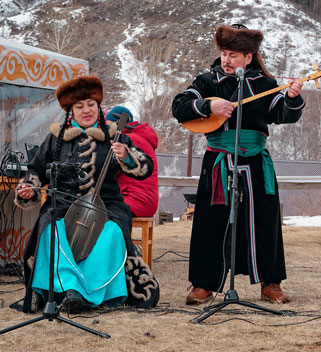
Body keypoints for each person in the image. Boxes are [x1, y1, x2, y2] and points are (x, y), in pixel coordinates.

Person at [172, 24, 305, 305]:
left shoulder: (266, 85)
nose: (226, 60)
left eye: (233, 55)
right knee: (211, 221)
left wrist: (292, 98)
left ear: (248, 57)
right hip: (218, 159)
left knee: (264, 221)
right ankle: (204, 284)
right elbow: (180, 107)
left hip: (255, 159)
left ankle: (270, 282)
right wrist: (209, 107)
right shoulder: (207, 82)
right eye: (223, 53)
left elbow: (282, 115)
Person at [14, 76, 158, 313]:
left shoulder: (115, 135)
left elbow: (145, 169)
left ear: (98, 106)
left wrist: (126, 156)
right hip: (61, 203)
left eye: (91, 104)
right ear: (71, 111)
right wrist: (29, 187)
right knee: (50, 229)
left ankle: (86, 292)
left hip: (107, 204)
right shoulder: (56, 138)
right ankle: (65, 289)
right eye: (79, 106)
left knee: (112, 232)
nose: (86, 110)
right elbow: (36, 170)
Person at [105, 106, 159, 218]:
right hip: (144, 200)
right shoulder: (140, 137)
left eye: (109, 125)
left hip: (134, 200)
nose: (108, 129)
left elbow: (111, 170)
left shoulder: (129, 140)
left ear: (118, 124)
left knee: (94, 211)